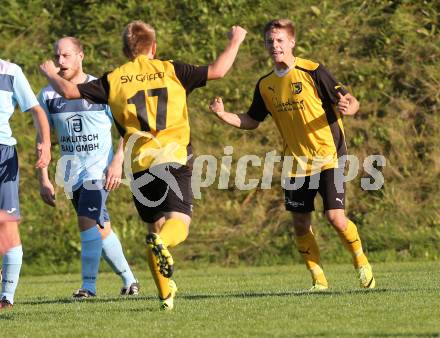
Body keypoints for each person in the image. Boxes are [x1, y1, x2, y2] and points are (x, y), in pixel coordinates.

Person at [40, 20, 247, 310]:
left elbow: (68, 91)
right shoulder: (171, 69)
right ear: (154, 48)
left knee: (155, 227)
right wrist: (235, 40)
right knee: (178, 224)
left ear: (126, 50)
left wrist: (50, 73)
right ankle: (162, 253)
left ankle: (165, 296)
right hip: (173, 159)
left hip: (139, 167)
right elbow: (219, 70)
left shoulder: (115, 78)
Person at [209, 19, 375, 291]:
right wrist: (223, 115)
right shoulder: (265, 84)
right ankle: (318, 279)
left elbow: (350, 99)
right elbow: (252, 120)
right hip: (295, 163)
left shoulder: (313, 71)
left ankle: (360, 261)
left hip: (329, 156)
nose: (274, 46)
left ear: (291, 42)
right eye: (269, 41)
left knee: (335, 217)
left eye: (279, 40)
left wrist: (350, 107)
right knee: (300, 223)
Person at [37, 37, 139, 299]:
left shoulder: (101, 89)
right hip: (72, 174)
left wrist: (117, 163)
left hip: (99, 172)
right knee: (101, 228)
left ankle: (89, 287)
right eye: (57, 56)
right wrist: (44, 179)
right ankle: (130, 281)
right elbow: (44, 142)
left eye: (66, 55)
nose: (60, 61)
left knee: (86, 221)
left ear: (81, 55)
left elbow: (126, 130)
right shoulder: (47, 94)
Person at [0, 58, 51, 309]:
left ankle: (6, 296)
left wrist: (47, 145)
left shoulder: (10, 72)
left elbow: (37, 110)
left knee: (7, 225)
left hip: (3, 155)